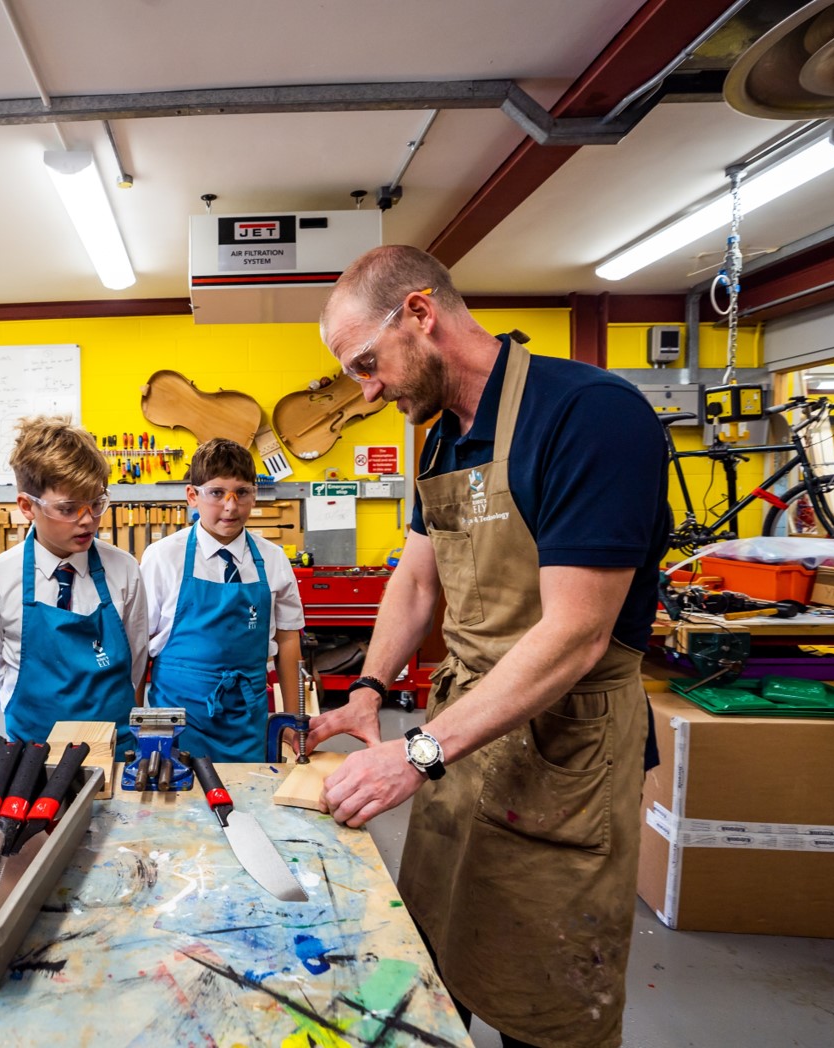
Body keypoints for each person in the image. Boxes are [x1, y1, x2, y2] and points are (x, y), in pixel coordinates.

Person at [309, 245, 669, 1048]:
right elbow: (414, 581)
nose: (366, 390)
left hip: (561, 750)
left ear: (420, 314)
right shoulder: (443, 438)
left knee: (545, 1005)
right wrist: (369, 686)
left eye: (368, 363)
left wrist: (415, 755)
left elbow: (576, 634)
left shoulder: (588, 416)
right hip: (462, 747)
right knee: (434, 972)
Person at [0, 416, 147, 752]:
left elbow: (135, 662)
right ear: (27, 506)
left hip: (117, 750)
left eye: (96, 503)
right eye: (68, 509)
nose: (87, 519)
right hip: (30, 755)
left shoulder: (124, 570)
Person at [141, 438, 305, 762]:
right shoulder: (162, 558)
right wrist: (131, 724)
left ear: (253, 494)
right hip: (177, 722)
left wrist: (292, 719)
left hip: (248, 720)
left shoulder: (273, 560)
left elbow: (287, 641)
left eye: (241, 493)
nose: (231, 507)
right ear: (193, 496)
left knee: (249, 805)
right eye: (217, 493)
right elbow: (137, 648)